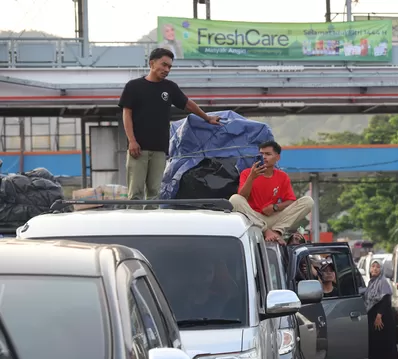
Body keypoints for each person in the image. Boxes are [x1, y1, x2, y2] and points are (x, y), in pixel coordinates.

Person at [118, 48, 220, 202]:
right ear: (152, 63)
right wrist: (132, 140)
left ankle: (152, 225)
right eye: (164, 65)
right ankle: (135, 225)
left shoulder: (169, 88)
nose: (166, 69)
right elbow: (127, 114)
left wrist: (207, 118)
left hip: (160, 150)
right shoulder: (134, 86)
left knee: (154, 194)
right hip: (138, 149)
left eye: (169, 67)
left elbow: (187, 104)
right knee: (136, 194)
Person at [229, 141, 314, 244]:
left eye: (268, 154)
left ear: (277, 157)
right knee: (234, 199)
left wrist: (275, 207)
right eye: (261, 154)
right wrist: (251, 178)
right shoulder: (247, 173)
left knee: (308, 201)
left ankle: (276, 232)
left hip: (273, 218)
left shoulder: (282, 176)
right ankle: (266, 231)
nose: (264, 157)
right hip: (253, 218)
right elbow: (242, 197)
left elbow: (291, 201)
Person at [365, 261, 398, 359]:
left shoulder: (383, 282)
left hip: (383, 317)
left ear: (381, 269)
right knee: (375, 343)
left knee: (384, 343)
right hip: (373, 316)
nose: (375, 269)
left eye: (378, 267)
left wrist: (379, 316)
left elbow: (386, 300)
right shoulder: (371, 283)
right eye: (373, 266)